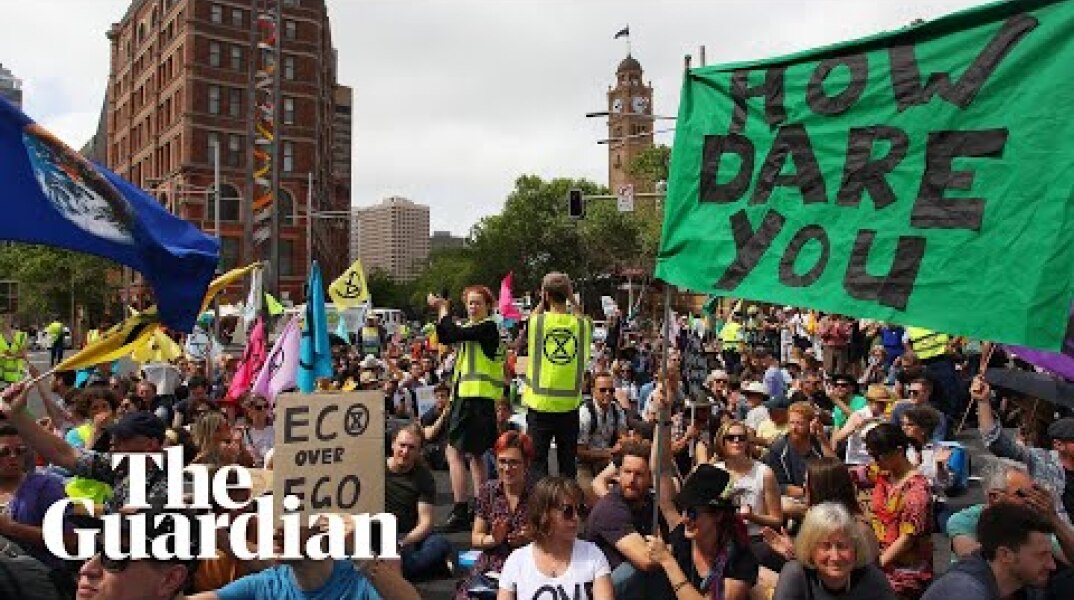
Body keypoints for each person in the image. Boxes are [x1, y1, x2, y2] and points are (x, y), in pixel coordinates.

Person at [2, 382, 171, 512]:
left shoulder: (163, 487)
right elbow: (64, 454)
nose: (113, 445)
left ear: (151, 444)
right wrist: (16, 413)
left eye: (123, 439)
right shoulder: (122, 464)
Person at [430, 284, 506, 532]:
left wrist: (443, 309)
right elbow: (445, 335)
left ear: (488, 306)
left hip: (474, 399)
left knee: (455, 453)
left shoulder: (487, 327)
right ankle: (481, 506)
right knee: (475, 456)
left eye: (478, 303)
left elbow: (449, 333)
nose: (473, 307)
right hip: (471, 398)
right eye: (470, 303)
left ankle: (462, 508)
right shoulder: (475, 328)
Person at [646, 463, 759, 600]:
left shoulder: (740, 561)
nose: (684, 519)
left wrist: (668, 561)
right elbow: (661, 471)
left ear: (717, 515)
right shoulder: (683, 538)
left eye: (692, 513)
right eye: (684, 510)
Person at [521, 272, 591, 481]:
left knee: (537, 464)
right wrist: (572, 298)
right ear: (568, 294)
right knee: (567, 465)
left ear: (546, 295)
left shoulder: (537, 323)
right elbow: (582, 315)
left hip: (540, 406)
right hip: (569, 407)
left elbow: (532, 316)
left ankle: (540, 509)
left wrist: (543, 299)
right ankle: (568, 510)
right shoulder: (582, 325)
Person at [973, 375, 1072, 522]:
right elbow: (996, 442)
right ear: (1059, 445)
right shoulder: (1041, 460)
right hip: (1054, 539)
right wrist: (983, 401)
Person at [497, 476, 613, 600]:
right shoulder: (517, 562)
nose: (576, 517)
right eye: (567, 511)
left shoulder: (592, 555)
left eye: (580, 510)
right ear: (544, 514)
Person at [457, 431, 534, 600]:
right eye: (502, 462)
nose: (507, 469)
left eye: (514, 463)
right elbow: (476, 538)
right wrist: (493, 539)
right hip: (492, 567)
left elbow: (553, 540)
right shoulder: (488, 491)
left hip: (528, 568)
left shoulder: (539, 495)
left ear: (526, 464)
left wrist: (530, 539)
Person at [922, 503, 1056, 600]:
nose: (1052, 565)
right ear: (1005, 555)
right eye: (1042, 555)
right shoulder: (964, 592)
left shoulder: (1025, 588)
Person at [864, 423, 933, 598]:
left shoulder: (917, 491)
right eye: (872, 455)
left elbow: (907, 540)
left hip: (906, 571)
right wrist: (823, 440)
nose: (875, 461)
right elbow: (844, 476)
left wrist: (873, 569)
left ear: (899, 451)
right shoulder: (883, 472)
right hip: (877, 556)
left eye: (879, 456)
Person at [772, 502, 895, 600]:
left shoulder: (872, 579)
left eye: (842, 546)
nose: (835, 557)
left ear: (856, 548)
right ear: (810, 549)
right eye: (825, 546)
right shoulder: (796, 575)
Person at [384, 423, 451, 579]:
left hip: (408, 537)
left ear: (419, 451)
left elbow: (425, 523)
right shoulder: (376, 468)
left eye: (411, 447)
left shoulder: (423, 477)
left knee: (439, 543)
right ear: (393, 444)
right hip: (378, 534)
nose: (405, 452)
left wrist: (402, 543)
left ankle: (393, 572)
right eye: (402, 445)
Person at [712, 420, 783, 565]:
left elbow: (777, 520)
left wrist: (752, 516)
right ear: (722, 442)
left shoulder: (764, 473)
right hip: (722, 540)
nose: (736, 441)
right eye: (731, 438)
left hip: (755, 540)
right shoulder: (715, 471)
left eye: (742, 437)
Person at [766, 401, 836, 519]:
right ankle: (817, 518)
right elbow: (779, 485)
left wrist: (823, 439)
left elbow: (835, 469)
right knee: (785, 505)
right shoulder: (778, 448)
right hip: (797, 497)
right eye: (791, 423)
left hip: (822, 494)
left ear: (810, 424)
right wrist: (806, 493)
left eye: (799, 423)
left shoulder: (818, 444)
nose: (794, 428)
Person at [577, 371, 628, 501]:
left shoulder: (617, 409)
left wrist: (622, 443)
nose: (608, 394)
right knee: (591, 494)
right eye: (603, 390)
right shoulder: (585, 414)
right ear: (593, 390)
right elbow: (579, 451)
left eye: (611, 390)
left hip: (608, 461)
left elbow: (623, 438)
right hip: (585, 463)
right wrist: (608, 453)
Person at [0, 314, 29, 387]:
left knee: (19, 398)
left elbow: (24, 354)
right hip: (1, 378)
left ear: (11, 319)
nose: (5, 319)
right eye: (3, 317)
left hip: (17, 377)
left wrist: (11, 356)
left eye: (8, 317)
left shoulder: (22, 335)